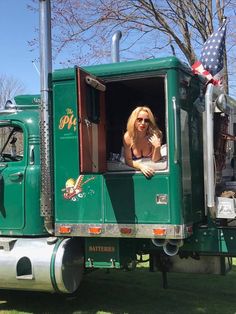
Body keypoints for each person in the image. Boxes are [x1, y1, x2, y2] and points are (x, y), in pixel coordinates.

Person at [123, 106, 162, 177]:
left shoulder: (155, 135)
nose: (143, 123)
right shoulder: (128, 136)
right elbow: (128, 160)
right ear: (133, 120)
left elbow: (155, 160)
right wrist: (141, 167)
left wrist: (157, 147)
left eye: (146, 120)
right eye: (139, 119)